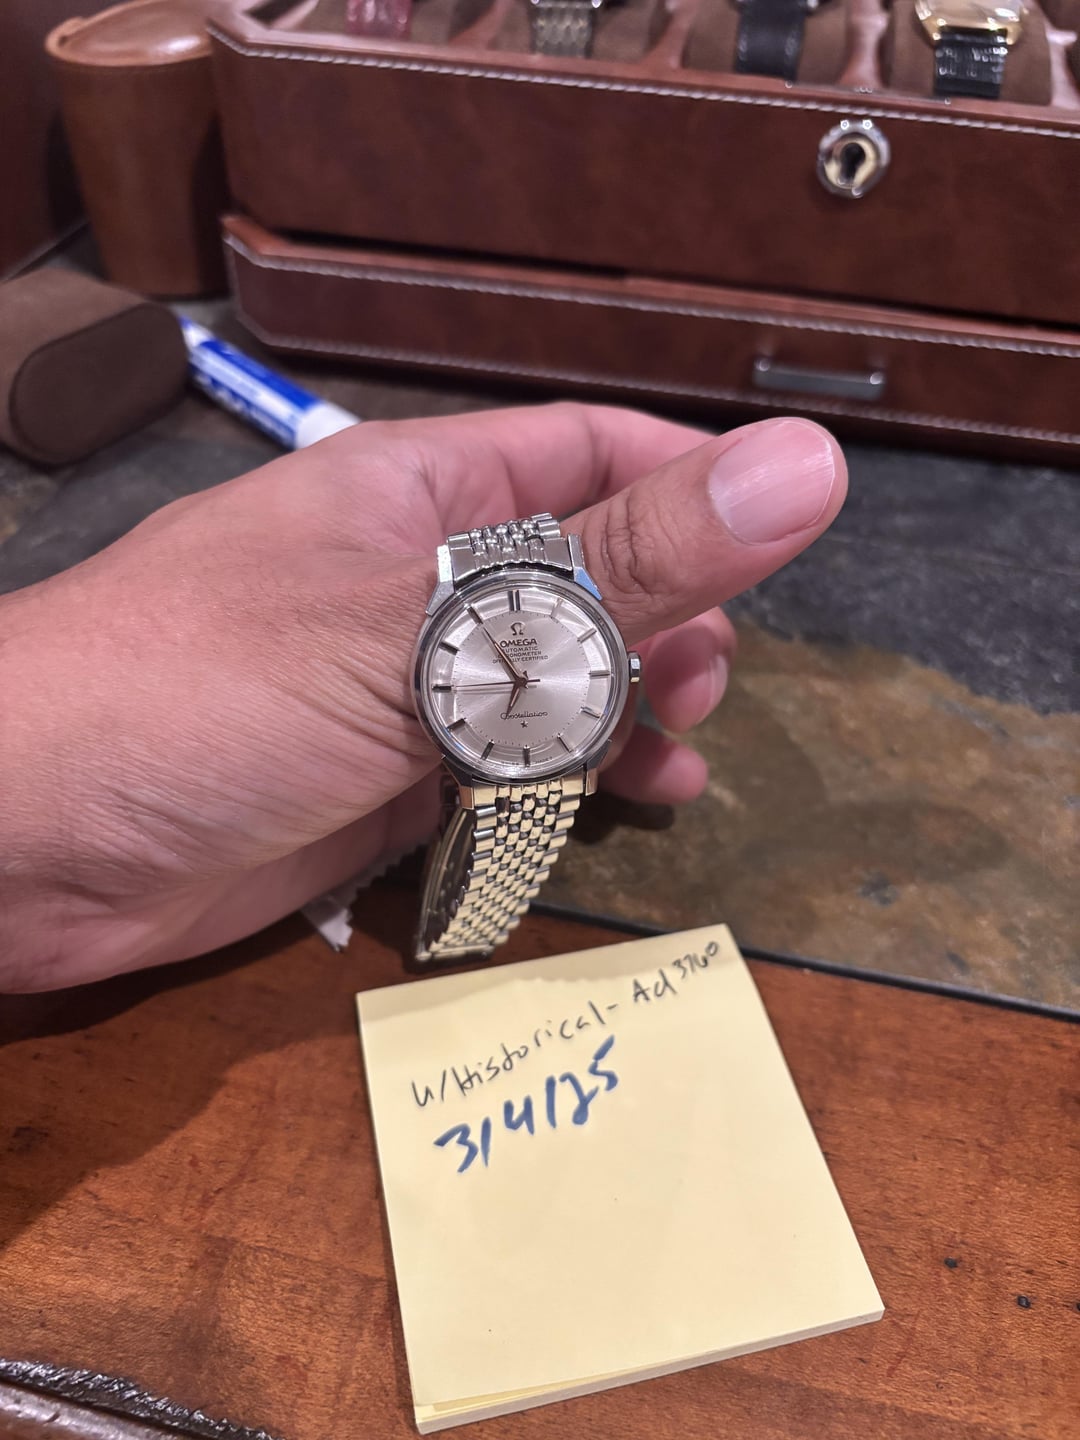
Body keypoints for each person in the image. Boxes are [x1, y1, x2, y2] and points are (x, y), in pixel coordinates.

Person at [0, 404, 846, 993]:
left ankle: (465, 930)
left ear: (619, 671)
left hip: (540, 755)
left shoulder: (579, 677)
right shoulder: (434, 665)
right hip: (498, 750)